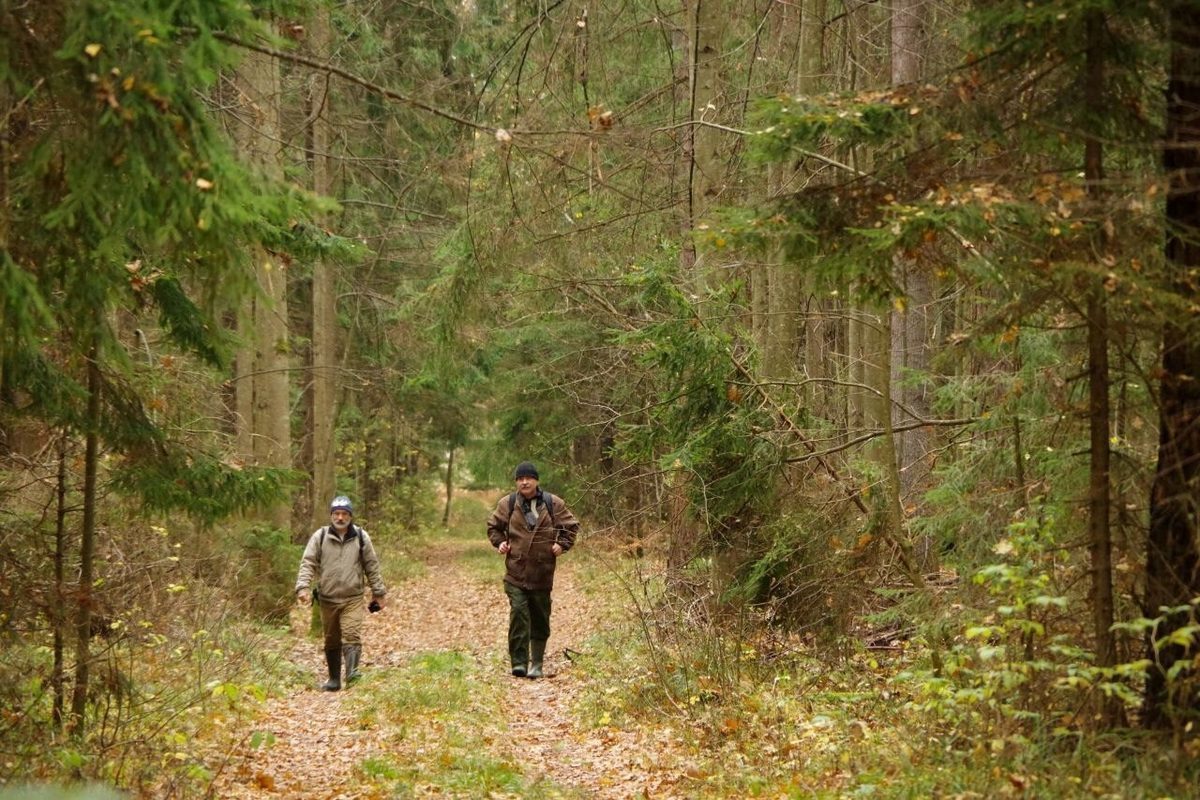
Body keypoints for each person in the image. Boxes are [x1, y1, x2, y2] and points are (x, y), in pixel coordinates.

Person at [486, 462, 579, 678]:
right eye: (520, 479)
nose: (524, 482)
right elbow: (493, 526)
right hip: (515, 572)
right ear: (516, 482)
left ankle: (536, 664)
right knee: (519, 613)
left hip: (542, 573)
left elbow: (571, 526)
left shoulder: (552, 503)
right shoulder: (508, 503)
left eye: (528, 478)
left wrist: (562, 545)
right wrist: (499, 542)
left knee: (539, 616)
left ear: (536, 480)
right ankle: (518, 663)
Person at [295, 496, 387, 691]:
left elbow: (372, 565)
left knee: (352, 634)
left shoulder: (361, 537)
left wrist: (378, 592)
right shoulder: (320, 537)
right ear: (331, 516)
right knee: (331, 638)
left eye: (344, 514)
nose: (340, 517)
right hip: (327, 599)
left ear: (350, 516)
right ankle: (334, 680)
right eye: (336, 514)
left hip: (352, 597)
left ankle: (352, 675)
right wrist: (302, 587)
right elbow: (308, 562)